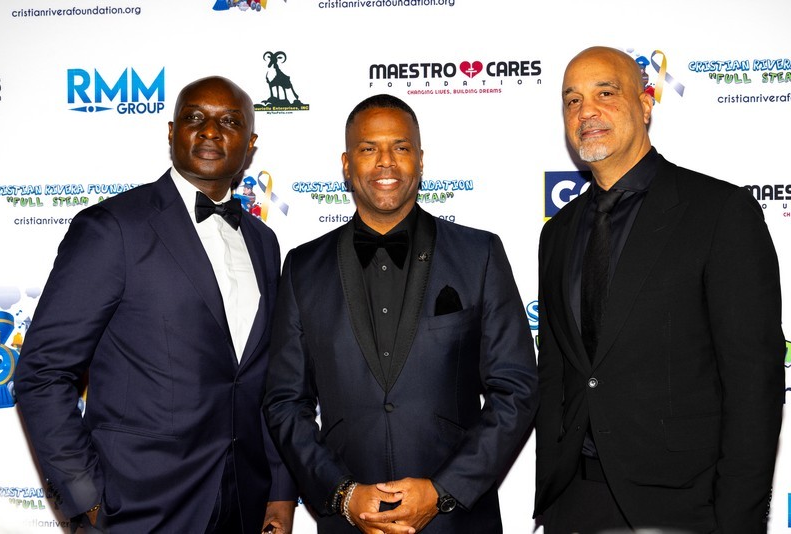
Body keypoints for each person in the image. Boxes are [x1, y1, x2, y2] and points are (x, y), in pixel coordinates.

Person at [16, 76, 296, 533]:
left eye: (229, 121)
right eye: (194, 117)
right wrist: (87, 498)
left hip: (244, 504)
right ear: (172, 132)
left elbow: (264, 379)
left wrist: (280, 490)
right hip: (139, 509)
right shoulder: (113, 228)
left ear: (250, 144)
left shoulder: (264, 242)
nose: (210, 130)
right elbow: (43, 371)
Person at [534, 46, 785, 533]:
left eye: (606, 93)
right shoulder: (558, 231)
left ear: (646, 105)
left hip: (684, 506)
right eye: (572, 100)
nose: (586, 111)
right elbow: (555, 377)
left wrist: (738, 521)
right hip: (574, 503)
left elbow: (754, 385)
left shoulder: (719, 212)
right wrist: (551, 495)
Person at [263, 94, 538, 534]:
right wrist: (342, 494)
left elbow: (517, 388)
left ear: (421, 160)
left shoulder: (479, 254)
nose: (386, 161)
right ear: (346, 164)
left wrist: (443, 490)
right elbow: (284, 402)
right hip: (349, 522)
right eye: (368, 148)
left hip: (456, 521)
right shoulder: (303, 267)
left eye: (401, 147)